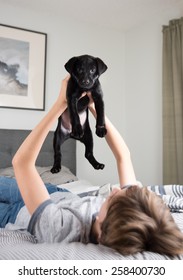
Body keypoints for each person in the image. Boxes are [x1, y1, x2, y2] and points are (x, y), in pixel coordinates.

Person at [1, 75, 183, 256]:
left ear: (102, 230)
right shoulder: (128, 206)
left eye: (111, 200)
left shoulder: (59, 227)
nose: (114, 190)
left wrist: (60, 105)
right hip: (56, 193)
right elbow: (123, 156)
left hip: (19, 213)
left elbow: (22, 163)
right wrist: (94, 107)